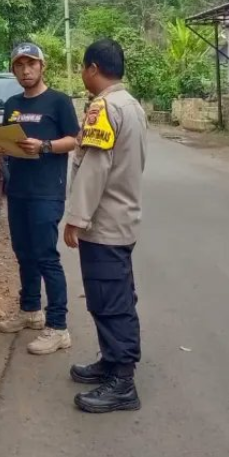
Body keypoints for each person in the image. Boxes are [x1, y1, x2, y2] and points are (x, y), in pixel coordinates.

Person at [64, 38, 148, 413]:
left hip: (105, 222)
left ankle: (122, 381)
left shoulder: (104, 108)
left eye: (83, 68)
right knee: (111, 295)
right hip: (122, 217)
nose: (83, 76)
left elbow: (95, 169)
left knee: (110, 300)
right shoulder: (131, 105)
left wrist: (75, 219)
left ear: (93, 68)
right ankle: (111, 362)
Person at [0, 42, 81, 356]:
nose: (26, 70)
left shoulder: (58, 101)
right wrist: (0, 147)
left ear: (42, 66)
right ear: (14, 70)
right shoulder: (12, 104)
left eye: (31, 64)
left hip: (47, 191)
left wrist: (44, 146)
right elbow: (10, 140)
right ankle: (30, 310)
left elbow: (74, 140)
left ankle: (58, 327)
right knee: (23, 252)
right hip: (18, 189)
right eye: (19, 65)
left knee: (46, 256)